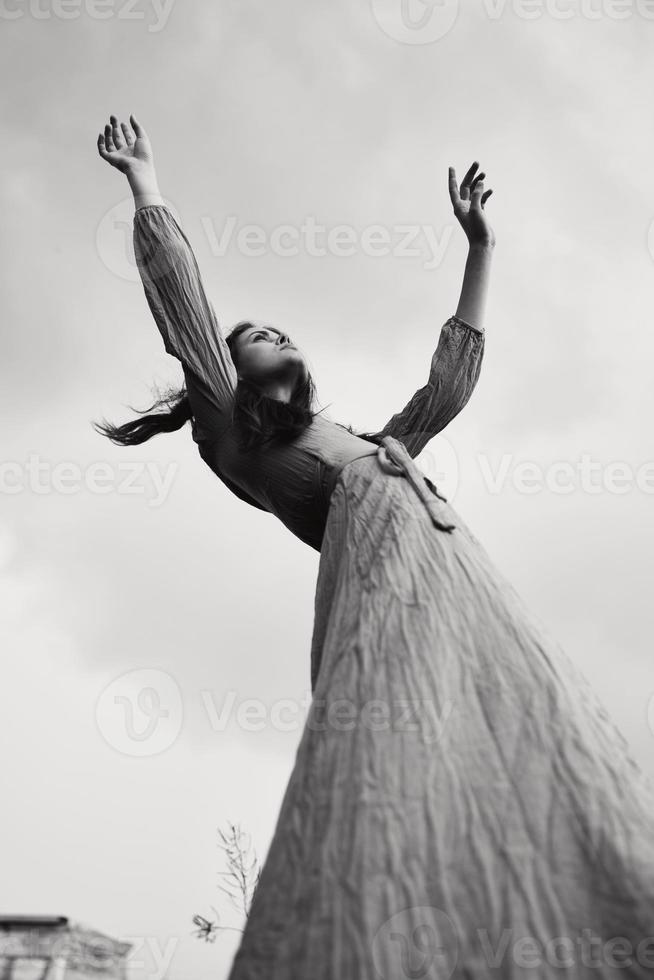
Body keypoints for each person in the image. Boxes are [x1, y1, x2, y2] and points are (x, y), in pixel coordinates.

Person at [96, 115, 654, 979]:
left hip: (454, 563)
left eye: (279, 328)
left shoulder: (364, 441)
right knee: (397, 742)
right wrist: (145, 184)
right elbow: (186, 306)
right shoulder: (233, 436)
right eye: (254, 336)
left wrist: (482, 247)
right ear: (228, 370)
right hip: (383, 581)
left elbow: (446, 392)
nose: (271, 333)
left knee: (529, 712)